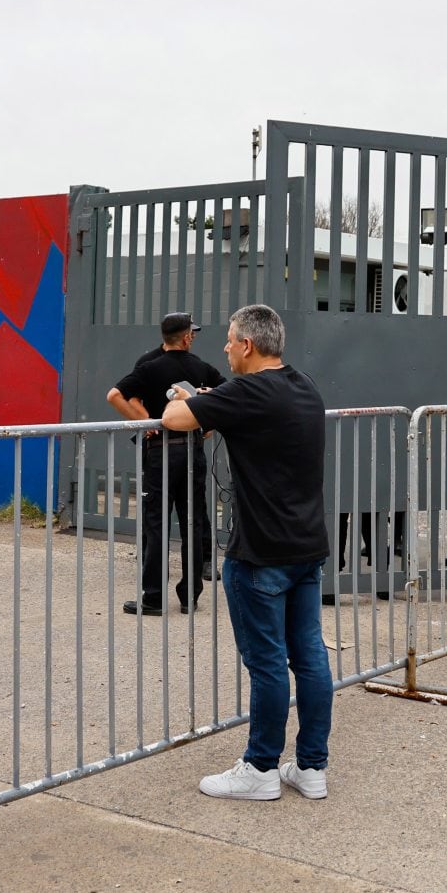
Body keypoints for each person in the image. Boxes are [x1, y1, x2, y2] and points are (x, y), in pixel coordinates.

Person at [161, 303, 331, 802]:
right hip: (307, 546)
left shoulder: (246, 392)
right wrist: (214, 403)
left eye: (230, 340)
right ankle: (311, 767)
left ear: (248, 345)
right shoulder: (304, 385)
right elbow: (251, 417)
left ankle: (259, 768)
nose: (225, 348)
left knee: (268, 664)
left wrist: (193, 400)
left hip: (260, 553)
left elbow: (174, 417)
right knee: (310, 659)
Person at [107, 312, 225, 615]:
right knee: (192, 522)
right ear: (186, 338)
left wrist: (145, 422)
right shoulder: (201, 367)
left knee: (156, 523)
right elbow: (225, 394)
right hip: (193, 450)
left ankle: (154, 598)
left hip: (161, 452)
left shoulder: (149, 367)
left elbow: (115, 395)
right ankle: (190, 597)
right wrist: (208, 420)